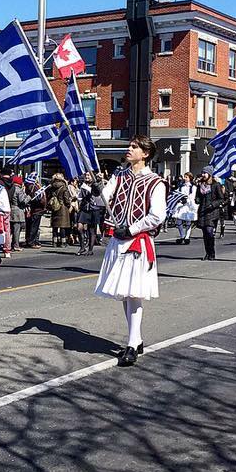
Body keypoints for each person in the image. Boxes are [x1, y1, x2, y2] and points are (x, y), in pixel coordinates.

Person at [95, 135, 167, 367]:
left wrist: (132, 228)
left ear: (145, 153)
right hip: (118, 239)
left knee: (134, 292)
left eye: (134, 147)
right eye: (130, 146)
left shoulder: (155, 182)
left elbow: (157, 215)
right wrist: (96, 188)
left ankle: (132, 344)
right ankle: (136, 338)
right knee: (125, 293)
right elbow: (102, 201)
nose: (129, 149)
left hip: (137, 240)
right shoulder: (119, 175)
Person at [194, 167, 224, 261]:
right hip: (202, 211)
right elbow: (198, 197)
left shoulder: (216, 185)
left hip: (212, 212)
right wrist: (197, 200)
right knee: (205, 235)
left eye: (205, 173)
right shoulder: (200, 185)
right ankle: (207, 253)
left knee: (209, 232)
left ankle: (212, 253)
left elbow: (221, 198)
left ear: (209, 174)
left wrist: (213, 204)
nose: (203, 175)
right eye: (202, 173)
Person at [76, 171, 103, 256]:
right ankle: (82, 247)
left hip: (94, 209)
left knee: (91, 230)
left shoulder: (96, 184)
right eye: (86, 175)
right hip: (84, 209)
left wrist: (99, 181)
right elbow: (80, 196)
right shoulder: (83, 184)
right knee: (79, 227)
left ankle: (90, 249)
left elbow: (98, 193)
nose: (86, 176)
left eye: (88, 175)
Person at [2, 169, 28, 253]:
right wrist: (29, 197)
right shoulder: (18, 189)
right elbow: (22, 200)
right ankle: (15, 245)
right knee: (16, 230)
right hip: (17, 211)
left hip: (10, 209)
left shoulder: (11, 188)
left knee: (9, 230)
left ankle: (7, 244)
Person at [46, 173, 73, 247]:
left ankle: (54, 242)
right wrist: (69, 205)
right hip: (63, 207)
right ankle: (63, 242)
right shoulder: (64, 187)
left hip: (55, 207)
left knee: (55, 226)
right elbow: (66, 199)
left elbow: (48, 196)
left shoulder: (51, 187)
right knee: (62, 226)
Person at [172, 173, 197, 245]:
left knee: (188, 221)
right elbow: (177, 193)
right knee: (178, 220)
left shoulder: (193, 187)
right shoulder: (181, 186)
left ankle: (187, 237)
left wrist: (186, 200)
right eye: (184, 177)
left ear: (190, 178)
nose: (184, 178)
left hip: (189, 205)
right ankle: (182, 236)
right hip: (182, 205)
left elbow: (192, 196)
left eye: (186, 177)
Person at [23, 173, 46, 249]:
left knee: (30, 225)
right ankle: (31, 242)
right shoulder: (33, 186)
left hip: (31, 209)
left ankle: (29, 240)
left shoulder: (26, 185)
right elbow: (37, 197)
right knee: (34, 226)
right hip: (36, 209)